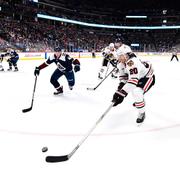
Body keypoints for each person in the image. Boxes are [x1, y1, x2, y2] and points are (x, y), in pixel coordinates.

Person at [112, 49, 155, 124]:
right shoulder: (121, 64)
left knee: (137, 92)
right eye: (118, 57)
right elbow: (124, 79)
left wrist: (121, 94)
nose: (119, 59)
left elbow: (133, 82)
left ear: (125, 55)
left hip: (147, 76)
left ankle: (142, 113)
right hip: (137, 76)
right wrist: (118, 91)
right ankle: (140, 100)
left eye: (121, 56)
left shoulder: (132, 63)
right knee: (136, 94)